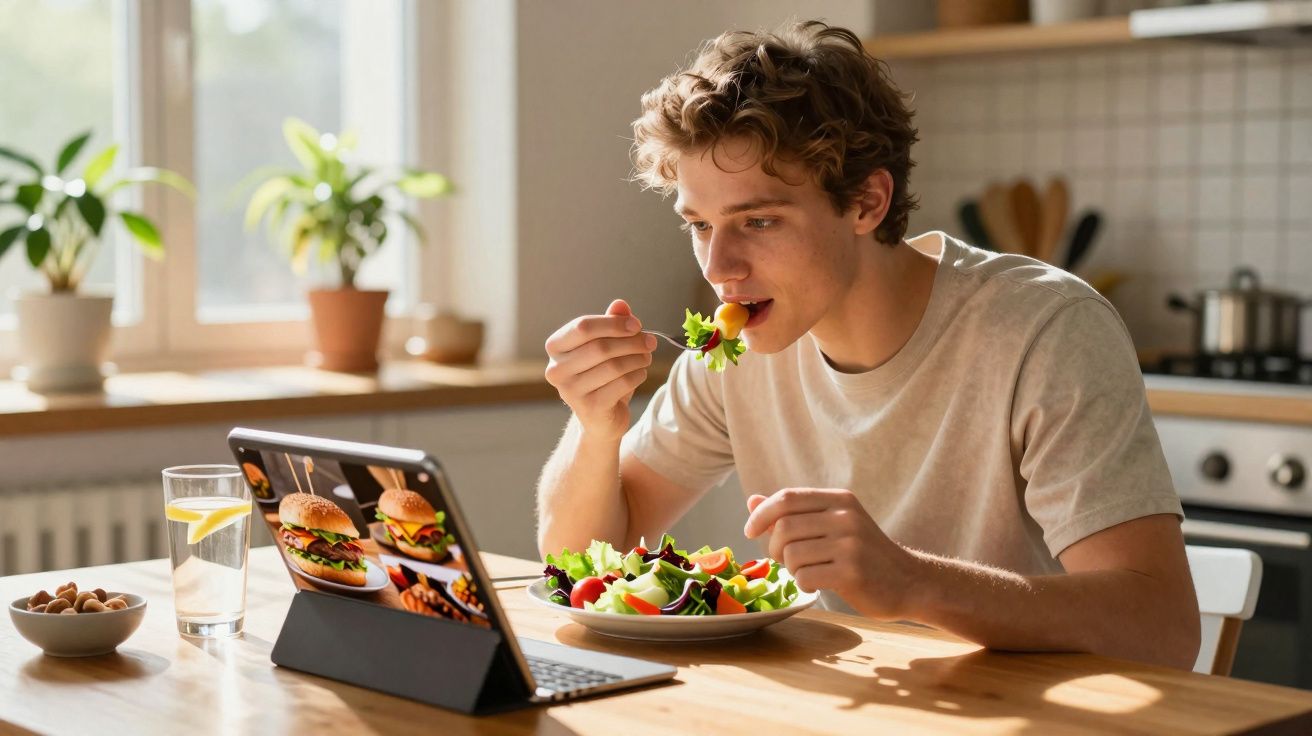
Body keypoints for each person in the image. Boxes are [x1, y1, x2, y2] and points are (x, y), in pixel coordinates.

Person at [536, 20, 1199, 668]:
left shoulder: (1044, 330)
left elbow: (1162, 627)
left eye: (757, 220)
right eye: (699, 224)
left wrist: (914, 581)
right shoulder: (731, 350)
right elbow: (582, 561)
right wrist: (595, 427)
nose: (718, 266)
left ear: (866, 202)